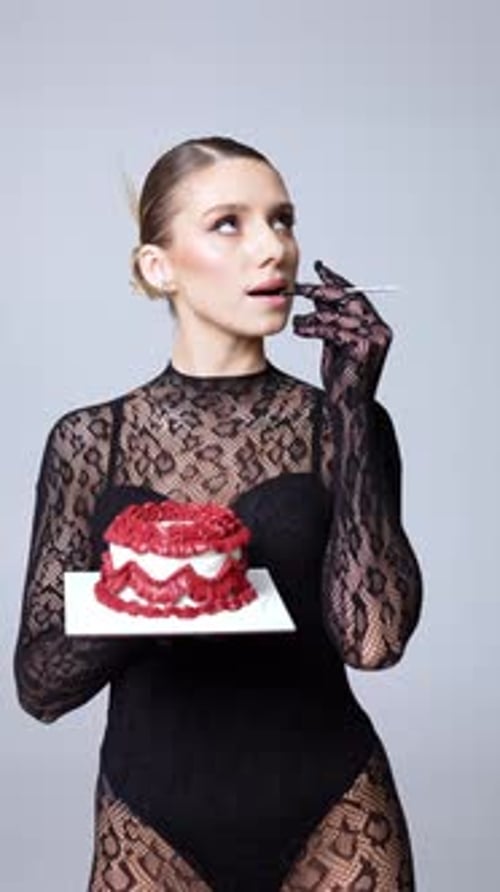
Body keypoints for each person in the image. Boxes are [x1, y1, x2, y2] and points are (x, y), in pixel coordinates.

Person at [14, 135, 423, 891]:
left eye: (282, 219)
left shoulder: (343, 424)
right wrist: (152, 594)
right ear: (157, 266)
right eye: (229, 223)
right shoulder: (90, 441)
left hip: (334, 805)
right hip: (150, 818)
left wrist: (352, 408)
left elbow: (375, 643)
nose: (274, 248)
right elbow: (39, 685)